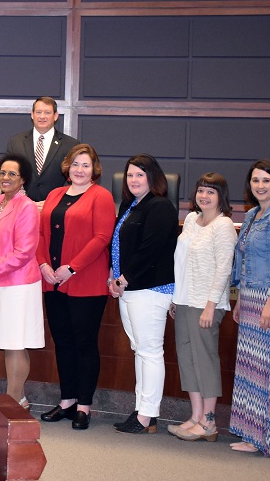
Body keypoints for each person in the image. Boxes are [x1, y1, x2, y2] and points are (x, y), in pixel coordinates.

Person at [35, 144, 115, 431]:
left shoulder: (101, 196)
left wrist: (71, 268)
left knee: (84, 344)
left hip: (85, 282)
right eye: (76, 164)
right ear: (67, 167)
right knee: (63, 343)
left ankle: (84, 405)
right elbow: (42, 232)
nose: (80, 170)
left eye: (86, 165)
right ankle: (67, 400)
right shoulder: (55, 194)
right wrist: (43, 263)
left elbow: (102, 237)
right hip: (53, 282)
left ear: (94, 169)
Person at [229, 160, 270, 457]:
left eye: (266, 181)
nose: (260, 186)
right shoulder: (254, 214)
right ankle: (250, 433)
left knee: (267, 371)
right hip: (250, 297)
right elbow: (244, 261)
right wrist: (242, 298)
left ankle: (266, 439)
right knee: (250, 368)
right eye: (255, 181)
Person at [108, 154, 178, 434]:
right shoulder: (130, 204)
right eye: (130, 175)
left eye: (140, 174)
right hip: (128, 288)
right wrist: (113, 276)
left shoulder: (160, 206)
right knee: (140, 350)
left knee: (149, 352)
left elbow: (150, 250)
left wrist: (123, 278)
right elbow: (118, 244)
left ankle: (147, 415)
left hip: (149, 288)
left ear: (153, 177)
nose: (134, 180)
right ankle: (142, 409)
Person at [168, 173, 236, 441]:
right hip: (184, 300)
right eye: (200, 190)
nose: (204, 196)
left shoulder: (224, 225)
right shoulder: (192, 222)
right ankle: (196, 416)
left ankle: (209, 422)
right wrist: (175, 297)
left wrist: (210, 306)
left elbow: (224, 269)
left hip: (206, 304)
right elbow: (181, 263)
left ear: (221, 196)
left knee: (205, 360)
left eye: (211, 191)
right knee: (187, 358)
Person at [0, 153, 43, 409]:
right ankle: (18, 397)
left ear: (23, 179)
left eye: (12, 174)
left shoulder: (26, 207)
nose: (5, 178)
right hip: (0, 282)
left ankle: (14, 399)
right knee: (8, 342)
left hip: (19, 284)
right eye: (2, 173)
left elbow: (24, 251)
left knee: (16, 343)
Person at [6, 97, 79, 204]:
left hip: (56, 208)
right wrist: (23, 199)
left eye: (47, 112)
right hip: (20, 206)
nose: (42, 116)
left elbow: (74, 179)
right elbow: (8, 175)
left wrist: (53, 201)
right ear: (32, 114)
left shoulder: (71, 145)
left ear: (55, 116)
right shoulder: (16, 142)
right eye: (38, 112)